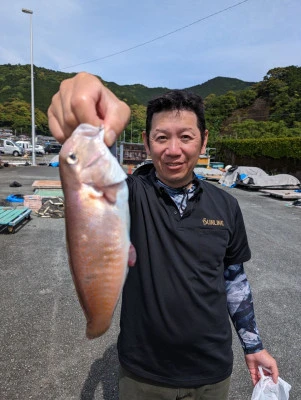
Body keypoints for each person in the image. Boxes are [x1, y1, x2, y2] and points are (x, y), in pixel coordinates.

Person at [48, 72, 279, 400]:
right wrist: (84, 101)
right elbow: (89, 185)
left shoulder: (226, 204)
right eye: (161, 138)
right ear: (145, 141)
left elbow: (234, 280)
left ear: (203, 139)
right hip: (144, 373)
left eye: (185, 137)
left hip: (211, 372)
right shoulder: (126, 196)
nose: (173, 150)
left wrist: (253, 345)